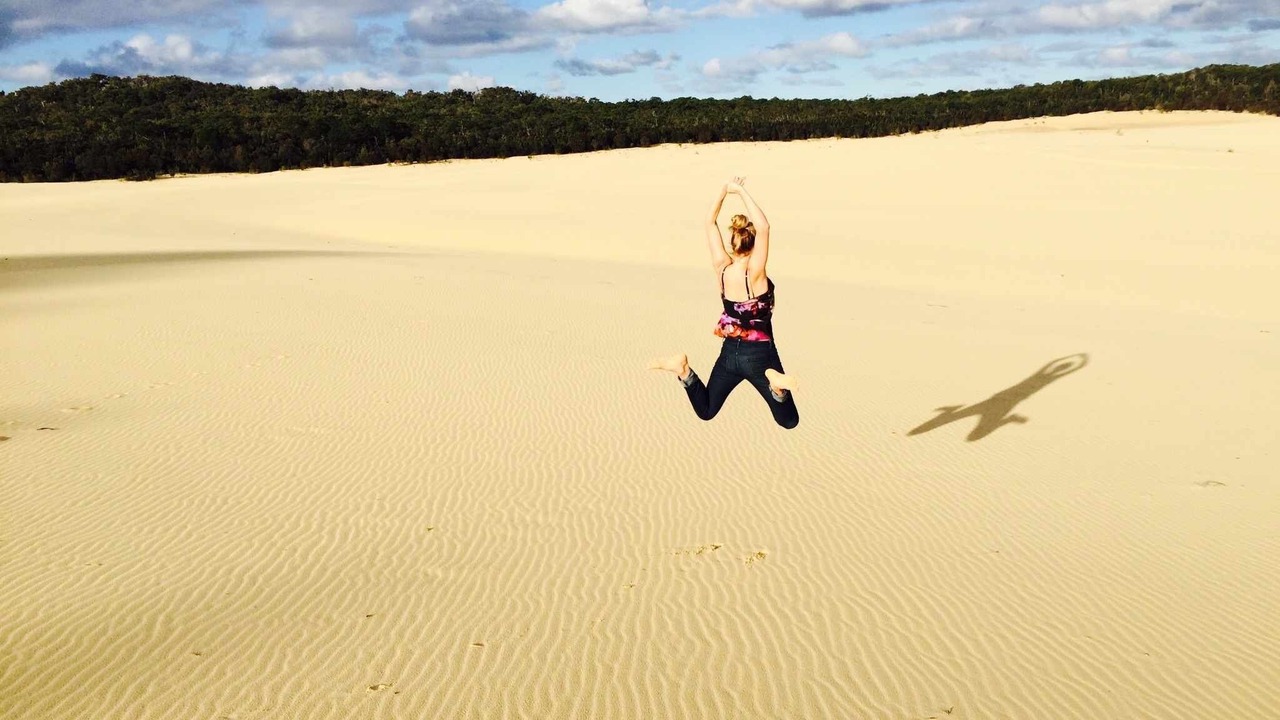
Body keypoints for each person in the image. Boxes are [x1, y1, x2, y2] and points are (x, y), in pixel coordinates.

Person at [649, 177, 799, 429]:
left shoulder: (722, 269)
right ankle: (776, 388)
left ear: (733, 245)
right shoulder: (754, 273)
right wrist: (741, 191)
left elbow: (709, 223)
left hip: (729, 354)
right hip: (759, 356)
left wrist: (723, 192)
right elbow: (764, 227)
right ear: (753, 245)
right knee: (789, 420)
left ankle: (683, 371)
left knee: (707, 410)